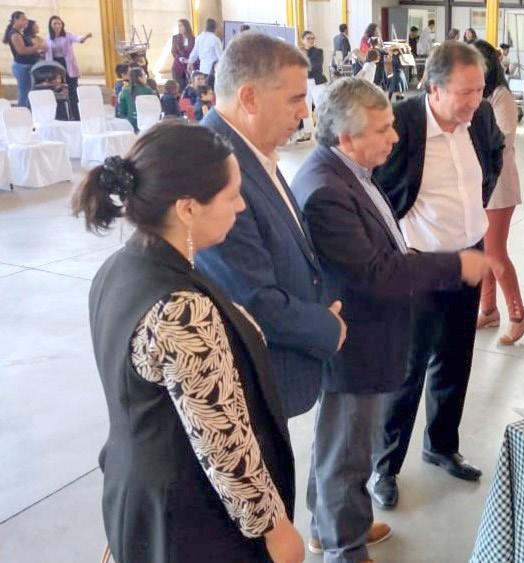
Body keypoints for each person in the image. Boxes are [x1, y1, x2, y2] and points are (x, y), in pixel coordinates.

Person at [72, 120, 304, 563]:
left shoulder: (118, 269)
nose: (241, 206)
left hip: (138, 492)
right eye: (231, 196)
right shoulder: (181, 308)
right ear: (188, 208)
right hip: (194, 519)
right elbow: (224, 445)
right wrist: (274, 529)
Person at [291, 77, 491, 563]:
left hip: (365, 335)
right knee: (347, 453)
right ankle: (345, 548)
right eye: (382, 129)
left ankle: (331, 526)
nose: (395, 137)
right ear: (347, 137)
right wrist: (454, 265)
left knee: (340, 444)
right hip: (353, 343)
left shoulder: (349, 172)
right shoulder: (326, 191)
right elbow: (377, 273)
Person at [369, 40, 504, 509]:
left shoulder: (480, 119)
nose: (474, 101)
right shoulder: (402, 123)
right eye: (465, 92)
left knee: (455, 356)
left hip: (469, 256)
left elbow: (493, 158)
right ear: (434, 88)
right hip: (420, 262)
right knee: (408, 367)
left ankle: (441, 445)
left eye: (480, 90)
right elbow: (377, 187)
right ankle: (384, 466)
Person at [197, 33, 347, 423]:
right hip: (251, 383)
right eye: (295, 99)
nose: (304, 112)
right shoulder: (214, 167)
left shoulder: (251, 149)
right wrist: (326, 327)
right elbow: (251, 297)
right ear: (249, 98)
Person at [471, 39, 524, 345]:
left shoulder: (500, 96)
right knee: (483, 251)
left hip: (499, 185)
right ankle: (488, 309)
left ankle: (519, 316)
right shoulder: (478, 94)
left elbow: (502, 139)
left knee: (495, 252)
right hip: (480, 185)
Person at [44, 16, 90, 120]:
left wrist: (85, 37)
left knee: (72, 91)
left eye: (59, 23)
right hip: (55, 66)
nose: (57, 26)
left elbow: (78, 39)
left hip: (68, 65)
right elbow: (44, 50)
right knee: (57, 90)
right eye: (54, 24)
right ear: (50, 26)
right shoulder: (48, 38)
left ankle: (76, 115)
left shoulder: (67, 35)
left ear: (62, 25)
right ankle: (61, 116)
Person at [5, 11, 43, 108]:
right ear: (15, 20)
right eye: (23, 19)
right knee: (24, 94)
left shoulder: (19, 33)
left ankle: (27, 112)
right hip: (22, 67)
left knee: (28, 93)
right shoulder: (15, 34)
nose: (26, 21)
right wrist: (37, 46)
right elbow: (22, 51)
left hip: (28, 65)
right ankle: (21, 113)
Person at [117, 67, 156, 131]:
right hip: (146, 123)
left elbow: (122, 110)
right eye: (144, 75)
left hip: (130, 122)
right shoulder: (148, 90)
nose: (146, 77)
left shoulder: (125, 90)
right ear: (139, 78)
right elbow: (154, 108)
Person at [171, 19, 195, 91]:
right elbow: (173, 51)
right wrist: (179, 58)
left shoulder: (193, 39)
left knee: (189, 89)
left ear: (186, 26)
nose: (179, 28)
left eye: (181, 26)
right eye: (178, 26)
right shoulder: (175, 38)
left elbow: (195, 52)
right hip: (177, 66)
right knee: (179, 89)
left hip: (188, 67)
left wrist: (190, 61)